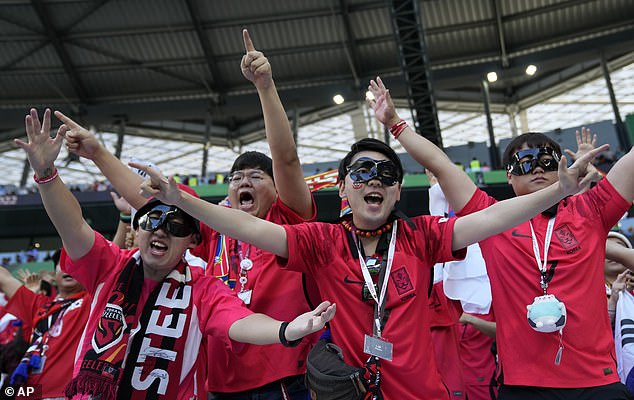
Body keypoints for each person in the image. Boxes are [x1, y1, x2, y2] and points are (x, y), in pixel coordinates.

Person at [130, 96, 601, 399]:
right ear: (343, 188)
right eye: (361, 173)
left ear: (397, 192)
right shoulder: (323, 241)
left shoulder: (421, 236)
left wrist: (557, 193)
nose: (374, 180)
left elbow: (491, 219)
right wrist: (179, 199)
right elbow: (246, 228)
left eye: (386, 176)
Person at [58, 30, 319, 399]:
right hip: (219, 383)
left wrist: (264, 86)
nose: (243, 181)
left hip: (280, 379)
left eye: (256, 176)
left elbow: (287, 159)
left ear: (277, 190)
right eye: (236, 178)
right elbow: (152, 201)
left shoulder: (290, 222)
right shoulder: (212, 232)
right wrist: (99, 153)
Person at [15, 108, 335, 400]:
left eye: (177, 223)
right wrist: (49, 171)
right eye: (152, 220)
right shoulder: (113, 264)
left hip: (280, 380)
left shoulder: (208, 282)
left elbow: (237, 321)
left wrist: (287, 330)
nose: (162, 229)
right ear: (138, 226)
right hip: (220, 384)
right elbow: (75, 224)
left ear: (191, 240)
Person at [369, 74, 634, 399]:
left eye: (547, 160)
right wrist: (394, 122)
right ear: (508, 176)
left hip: (597, 382)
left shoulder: (590, 210)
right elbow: (440, 164)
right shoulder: (491, 219)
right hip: (524, 386)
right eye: (524, 162)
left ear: (562, 165)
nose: (537, 168)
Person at [0, 259, 89, 399]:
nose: (69, 268)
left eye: (75, 263)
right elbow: (3, 278)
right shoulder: (40, 306)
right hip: (30, 392)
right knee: (6, 392)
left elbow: (112, 264)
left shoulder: (92, 302)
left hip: (66, 394)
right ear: (55, 274)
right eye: (64, 264)